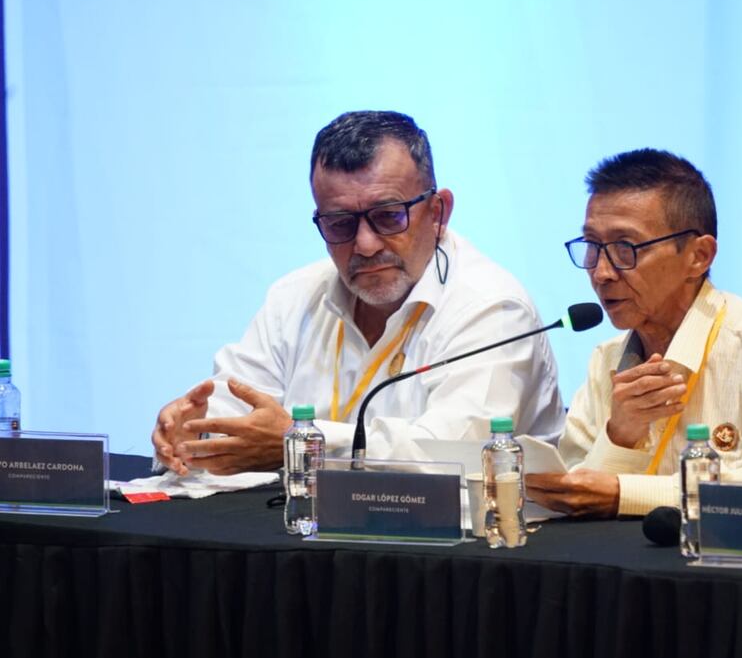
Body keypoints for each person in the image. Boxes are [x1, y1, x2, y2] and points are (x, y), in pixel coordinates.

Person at [151, 111, 563, 475]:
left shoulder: (492, 307)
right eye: (340, 223)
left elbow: (453, 459)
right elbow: (239, 411)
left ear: (437, 213)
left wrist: (298, 445)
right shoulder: (294, 296)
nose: (365, 245)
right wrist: (194, 429)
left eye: (387, 217)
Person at [526, 149, 742, 518]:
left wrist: (630, 493)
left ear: (699, 256)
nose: (602, 272)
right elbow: (577, 498)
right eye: (592, 246)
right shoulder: (606, 360)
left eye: (625, 248)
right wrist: (620, 434)